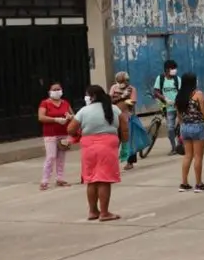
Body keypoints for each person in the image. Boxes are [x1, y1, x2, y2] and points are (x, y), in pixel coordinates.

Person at [68, 85, 127, 221]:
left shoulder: (84, 111)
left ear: (92, 96)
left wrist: (81, 131)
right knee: (104, 179)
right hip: (108, 145)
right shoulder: (114, 109)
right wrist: (124, 145)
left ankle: (93, 211)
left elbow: (71, 129)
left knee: (91, 179)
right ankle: (105, 213)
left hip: (88, 146)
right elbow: (124, 129)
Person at [175, 72, 204, 193]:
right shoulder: (198, 94)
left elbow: (179, 114)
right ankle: (198, 183)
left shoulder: (180, 95)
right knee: (198, 156)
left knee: (188, 155)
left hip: (185, 127)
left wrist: (183, 125)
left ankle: (184, 183)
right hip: (198, 126)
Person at [37, 81, 73, 190]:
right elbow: (41, 117)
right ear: (50, 92)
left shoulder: (65, 103)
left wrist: (69, 117)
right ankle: (45, 180)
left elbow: (73, 115)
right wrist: (55, 119)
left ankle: (60, 178)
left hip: (63, 133)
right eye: (54, 89)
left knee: (61, 157)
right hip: (50, 134)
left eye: (59, 89)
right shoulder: (45, 103)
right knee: (51, 156)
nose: (57, 91)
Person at [109, 71, 139, 170]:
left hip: (128, 117)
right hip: (115, 117)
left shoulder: (132, 89)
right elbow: (110, 100)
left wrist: (127, 99)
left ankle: (130, 162)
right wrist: (122, 96)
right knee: (115, 140)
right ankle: (112, 161)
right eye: (120, 81)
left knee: (129, 140)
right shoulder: (114, 88)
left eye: (124, 81)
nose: (122, 83)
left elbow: (132, 102)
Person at [152, 59, 180, 155]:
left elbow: (181, 92)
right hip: (168, 108)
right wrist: (164, 98)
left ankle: (181, 144)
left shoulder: (177, 79)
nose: (175, 70)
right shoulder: (160, 79)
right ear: (167, 69)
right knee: (170, 129)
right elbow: (156, 91)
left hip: (178, 107)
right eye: (173, 69)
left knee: (181, 127)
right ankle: (174, 147)